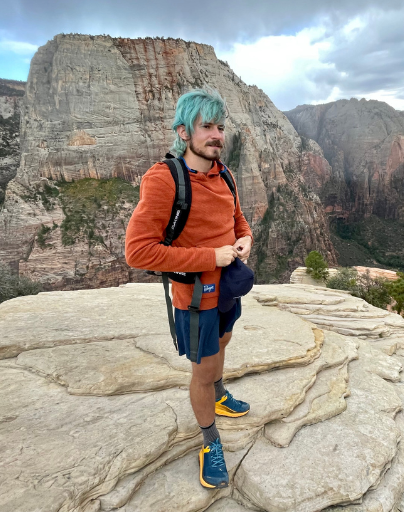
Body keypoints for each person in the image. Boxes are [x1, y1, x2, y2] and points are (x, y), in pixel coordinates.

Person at [125, 87, 253, 489]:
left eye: (220, 127)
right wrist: (208, 258)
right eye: (207, 127)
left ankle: (218, 391)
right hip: (195, 299)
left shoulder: (225, 173)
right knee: (202, 369)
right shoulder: (165, 179)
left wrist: (245, 239)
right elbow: (138, 252)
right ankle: (209, 441)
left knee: (224, 343)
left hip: (228, 291)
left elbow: (239, 220)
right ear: (183, 131)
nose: (217, 135)